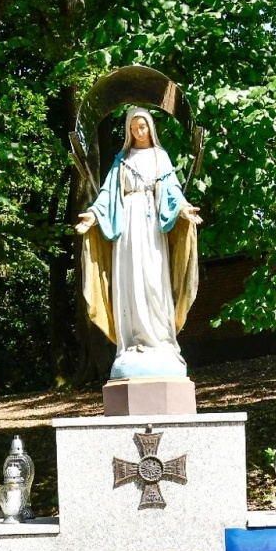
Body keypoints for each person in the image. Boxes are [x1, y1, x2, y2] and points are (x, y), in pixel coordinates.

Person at [76, 106, 203, 377]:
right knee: (130, 280)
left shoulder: (160, 157)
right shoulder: (121, 159)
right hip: (127, 229)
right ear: (128, 131)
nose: (138, 131)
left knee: (153, 279)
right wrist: (93, 216)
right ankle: (132, 342)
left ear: (150, 128)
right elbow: (108, 194)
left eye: (142, 126)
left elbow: (172, 191)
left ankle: (161, 340)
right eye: (133, 128)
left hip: (151, 228)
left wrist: (183, 209)